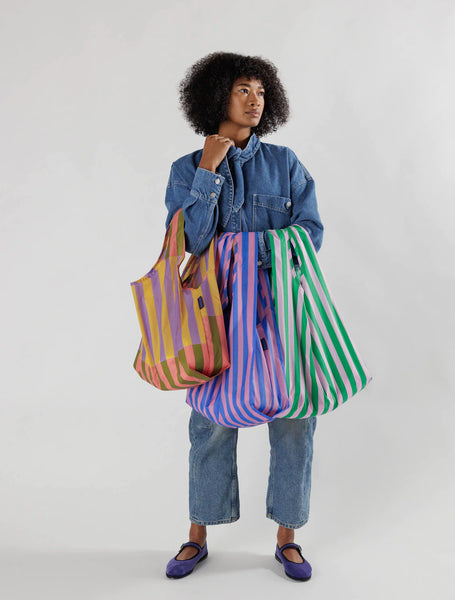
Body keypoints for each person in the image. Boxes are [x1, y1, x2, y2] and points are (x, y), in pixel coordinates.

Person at [163, 51, 324, 581]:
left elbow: (310, 234)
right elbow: (190, 242)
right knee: (209, 421)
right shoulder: (187, 169)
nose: (255, 101)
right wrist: (208, 172)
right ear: (216, 97)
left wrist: (251, 256)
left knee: (295, 417)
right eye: (242, 90)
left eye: (260, 91)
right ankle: (197, 535)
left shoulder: (285, 163)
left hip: (281, 314)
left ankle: (288, 538)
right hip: (215, 317)